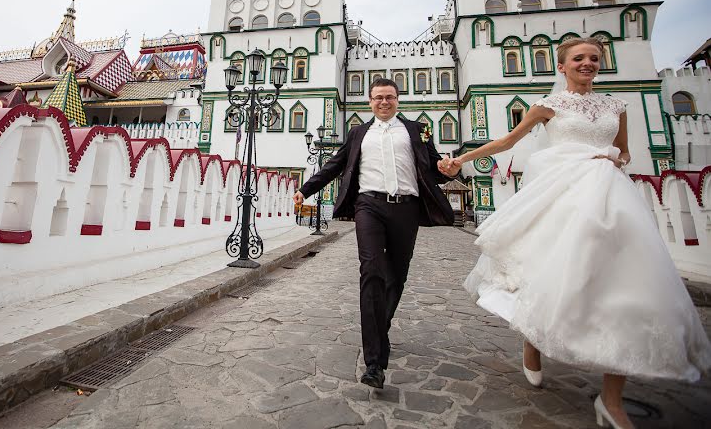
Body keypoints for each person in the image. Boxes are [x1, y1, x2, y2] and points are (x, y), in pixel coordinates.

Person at [438, 38, 711, 429]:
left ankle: (612, 400)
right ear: (562, 66)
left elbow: (625, 151)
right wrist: (461, 159)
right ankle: (533, 339)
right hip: (563, 197)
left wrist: (616, 157)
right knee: (550, 270)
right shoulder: (549, 106)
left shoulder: (616, 106)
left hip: (611, 196)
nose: (587, 64)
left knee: (624, 282)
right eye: (578, 59)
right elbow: (509, 140)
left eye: (594, 59)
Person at [294, 77, 454, 389]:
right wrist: (305, 189)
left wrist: (451, 168)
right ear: (369, 101)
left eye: (390, 97)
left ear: (398, 99)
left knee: (397, 276)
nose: (384, 102)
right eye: (378, 97)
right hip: (368, 205)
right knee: (371, 272)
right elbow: (333, 166)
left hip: (406, 208)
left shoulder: (416, 130)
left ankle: (380, 326)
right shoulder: (358, 133)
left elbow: (434, 167)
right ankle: (374, 363)